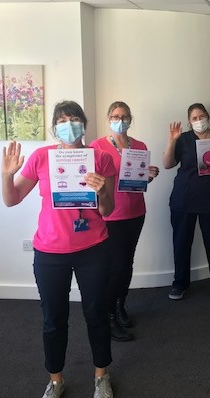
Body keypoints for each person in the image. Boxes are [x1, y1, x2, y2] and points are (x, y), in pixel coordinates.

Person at [1, 101, 117, 398]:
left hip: (93, 248)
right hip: (50, 251)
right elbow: (12, 199)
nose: (69, 125)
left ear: (84, 124)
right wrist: (7, 175)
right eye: (63, 121)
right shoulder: (42, 157)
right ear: (54, 127)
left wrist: (102, 190)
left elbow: (107, 210)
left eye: (75, 119)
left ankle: (101, 375)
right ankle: (55, 380)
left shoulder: (102, 158)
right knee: (53, 318)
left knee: (97, 313)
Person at [90, 101, 160, 342]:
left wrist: (149, 176)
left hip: (136, 212)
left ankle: (120, 305)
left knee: (127, 263)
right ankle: (109, 315)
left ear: (130, 119)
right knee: (115, 267)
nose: (120, 120)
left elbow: (139, 181)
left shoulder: (139, 146)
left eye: (124, 116)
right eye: (115, 116)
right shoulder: (97, 147)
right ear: (108, 118)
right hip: (111, 215)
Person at [163, 103, 210, 300]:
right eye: (194, 118)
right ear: (189, 122)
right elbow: (167, 164)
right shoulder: (183, 139)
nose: (199, 120)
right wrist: (172, 141)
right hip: (183, 199)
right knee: (181, 243)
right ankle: (179, 284)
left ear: (208, 117)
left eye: (201, 116)